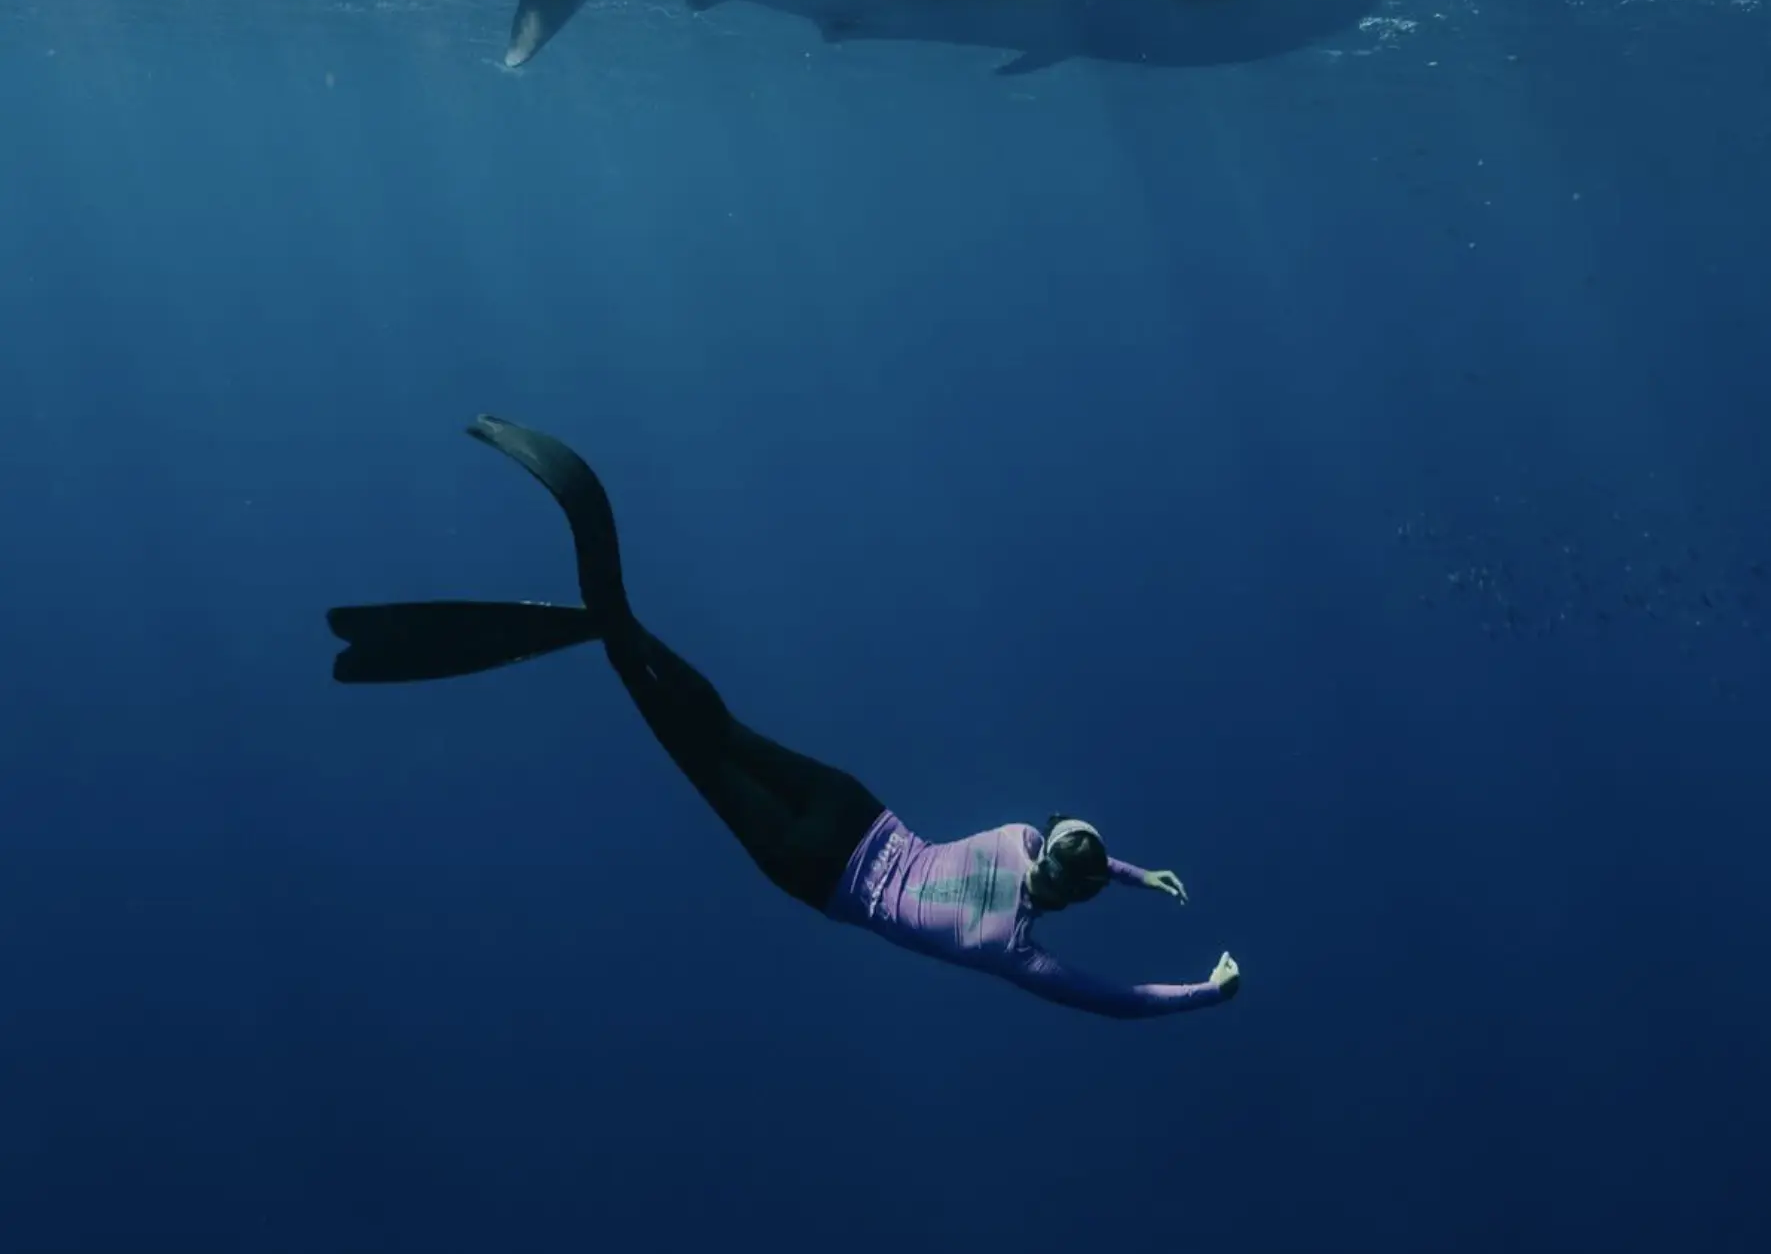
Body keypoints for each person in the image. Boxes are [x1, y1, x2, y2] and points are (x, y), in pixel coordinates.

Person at [327, 417, 1240, 1021]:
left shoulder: (1012, 843)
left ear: (1047, 848)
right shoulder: (1016, 954)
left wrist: (1136, 873)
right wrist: (1205, 989)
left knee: (717, 722)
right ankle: (612, 632)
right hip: (823, 873)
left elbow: (1087, 866)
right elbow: (1122, 999)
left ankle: (622, 622)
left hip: (857, 813)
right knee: (693, 746)